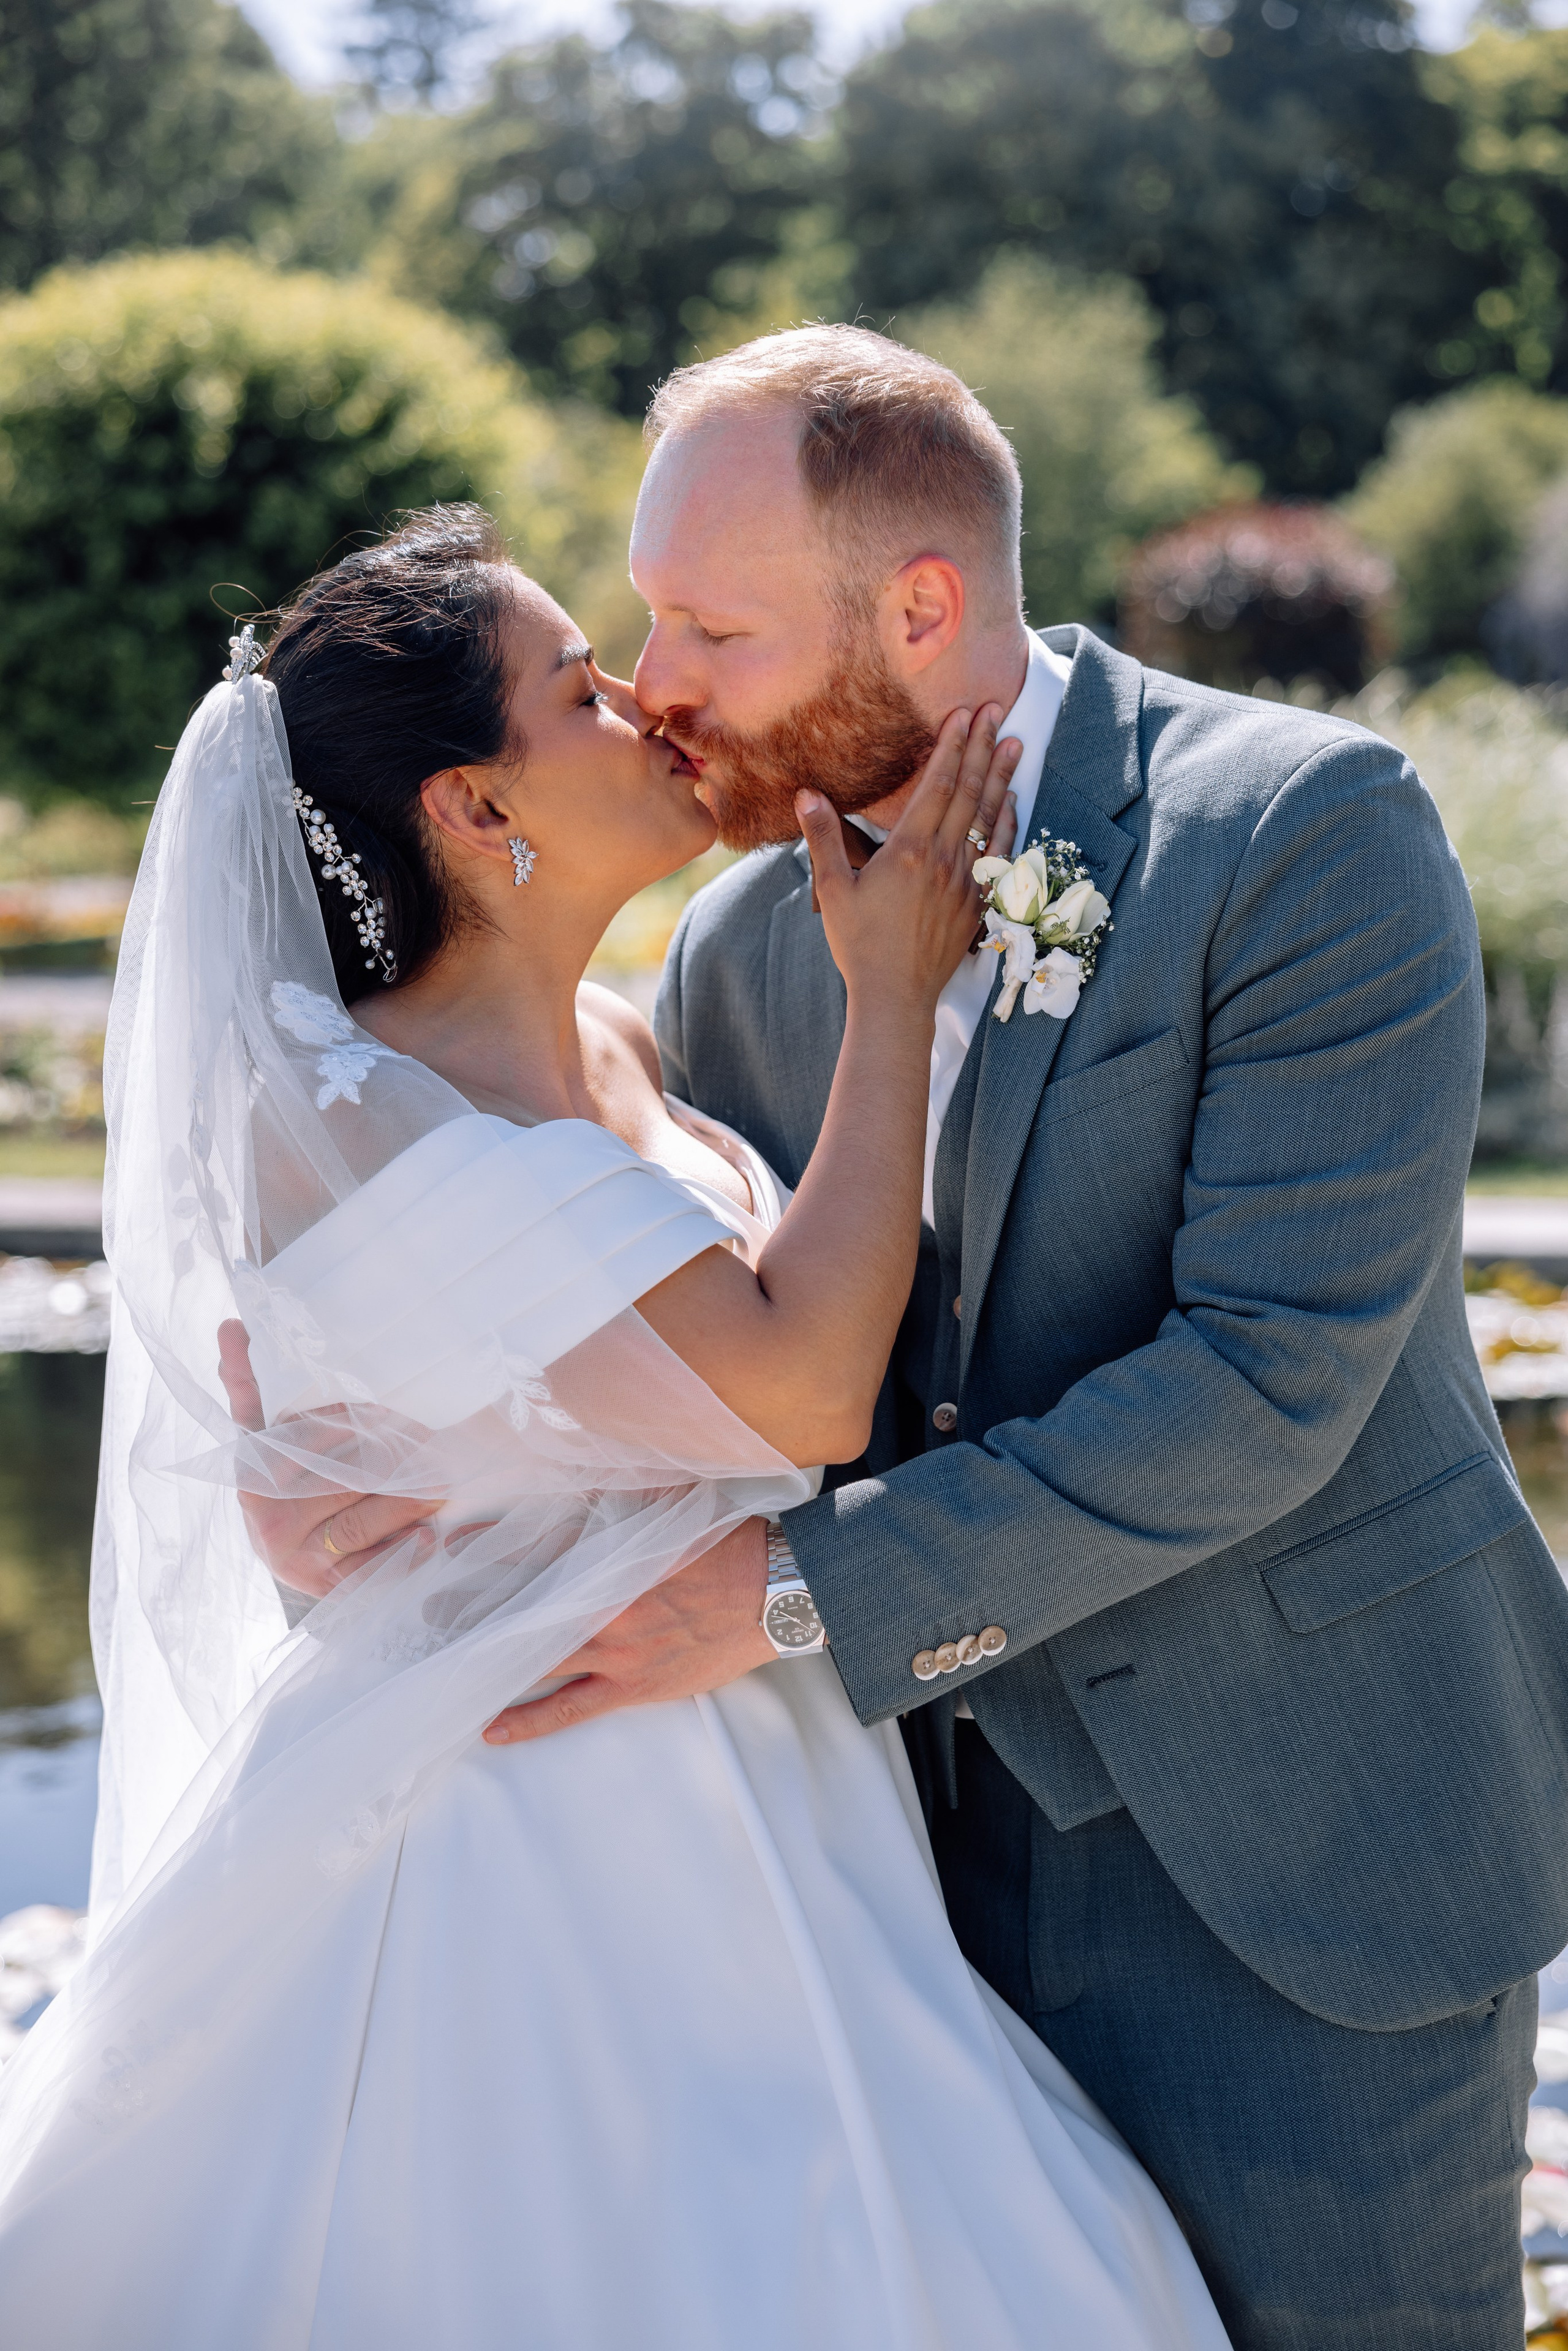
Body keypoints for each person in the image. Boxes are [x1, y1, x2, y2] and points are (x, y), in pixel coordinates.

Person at [0, 508, 1230, 2350]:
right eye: (580, 690)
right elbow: (802, 1388)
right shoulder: (354, 1112)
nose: (648, 703)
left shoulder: (622, 1041)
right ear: (471, 805)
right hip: (523, 1820)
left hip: (769, 1770)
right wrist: (895, 996)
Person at [470, 327, 1568, 2349]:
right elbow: (740, 1370)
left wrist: (794, 1595)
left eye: (714, 626)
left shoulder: (1303, 833)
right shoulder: (735, 952)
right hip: (908, 1904)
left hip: (1309, 1873)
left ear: (921, 608)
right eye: (648, 615)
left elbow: (1273, 1382)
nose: (655, 680)